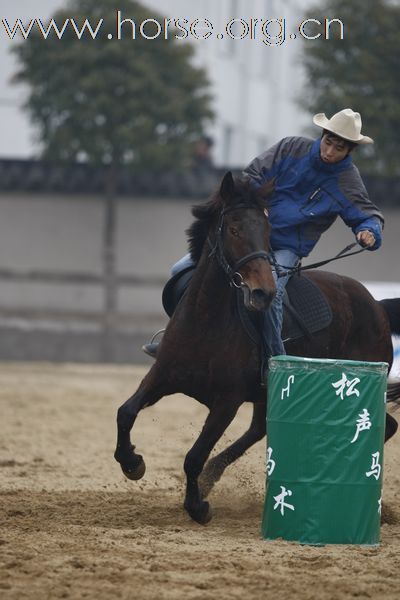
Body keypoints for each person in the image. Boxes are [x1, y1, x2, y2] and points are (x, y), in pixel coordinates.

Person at [143, 108, 384, 362]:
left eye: (339, 148)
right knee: (180, 270)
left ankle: (276, 361)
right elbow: (253, 175)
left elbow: (367, 215)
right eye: (328, 142)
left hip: (286, 248)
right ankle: (175, 341)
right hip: (251, 238)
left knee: (273, 294)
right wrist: (257, 207)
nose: (329, 152)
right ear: (323, 135)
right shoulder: (291, 148)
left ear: (350, 151)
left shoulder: (348, 181)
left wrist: (369, 231)